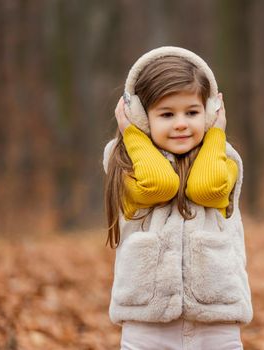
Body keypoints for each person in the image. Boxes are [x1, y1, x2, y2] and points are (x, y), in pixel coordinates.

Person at [102, 46, 252, 350]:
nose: (181, 123)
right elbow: (158, 185)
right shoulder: (123, 162)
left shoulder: (225, 158)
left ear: (210, 112)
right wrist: (133, 134)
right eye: (167, 114)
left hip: (216, 318)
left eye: (193, 112)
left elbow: (206, 189)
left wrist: (215, 134)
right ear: (142, 117)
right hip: (147, 323)